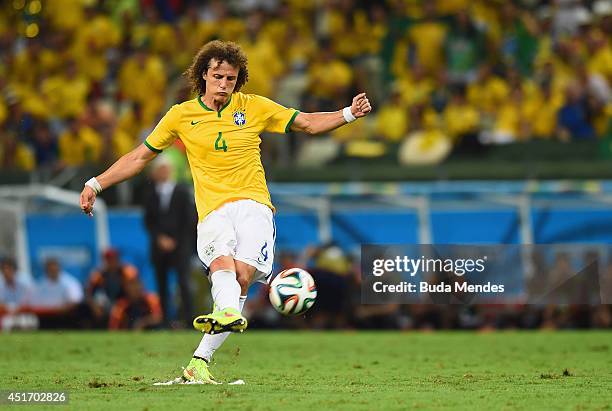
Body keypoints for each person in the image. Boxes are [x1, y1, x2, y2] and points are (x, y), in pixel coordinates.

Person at [79, 40, 372, 383]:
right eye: (217, 76)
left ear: (238, 80)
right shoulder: (180, 115)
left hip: (254, 205)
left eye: (230, 78)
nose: (223, 83)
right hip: (212, 210)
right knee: (222, 266)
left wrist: (349, 113)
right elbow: (138, 158)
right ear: (204, 74)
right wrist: (95, 184)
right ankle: (224, 317)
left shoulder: (255, 107)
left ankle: (203, 355)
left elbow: (307, 122)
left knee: (242, 276)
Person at [143, 155, 196, 327]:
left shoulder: (182, 191)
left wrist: (175, 240)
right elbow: (148, 221)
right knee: (162, 284)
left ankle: (188, 320)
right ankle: (165, 321)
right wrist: (160, 238)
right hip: (159, 248)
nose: (163, 173)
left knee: (184, 283)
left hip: (180, 247)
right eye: (160, 169)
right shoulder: (150, 193)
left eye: (166, 169)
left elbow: (189, 219)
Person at [85, 248, 139, 327]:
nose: (112, 262)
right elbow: (88, 293)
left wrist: (123, 304)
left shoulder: (127, 271)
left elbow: (136, 290)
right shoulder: (98, 274)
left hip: (126, 301)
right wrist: (94, 306)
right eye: (109, 259)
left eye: (114, 259)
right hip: (107, 302)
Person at [30, 257, 84, 329]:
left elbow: (75, 301)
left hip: (65, 317)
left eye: (54, 268)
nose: (52, 271)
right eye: (50, 269)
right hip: (44, 317)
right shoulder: (40, 283)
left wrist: (59, 310)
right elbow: (34, 302)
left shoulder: (70, 282)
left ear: (59, 268)